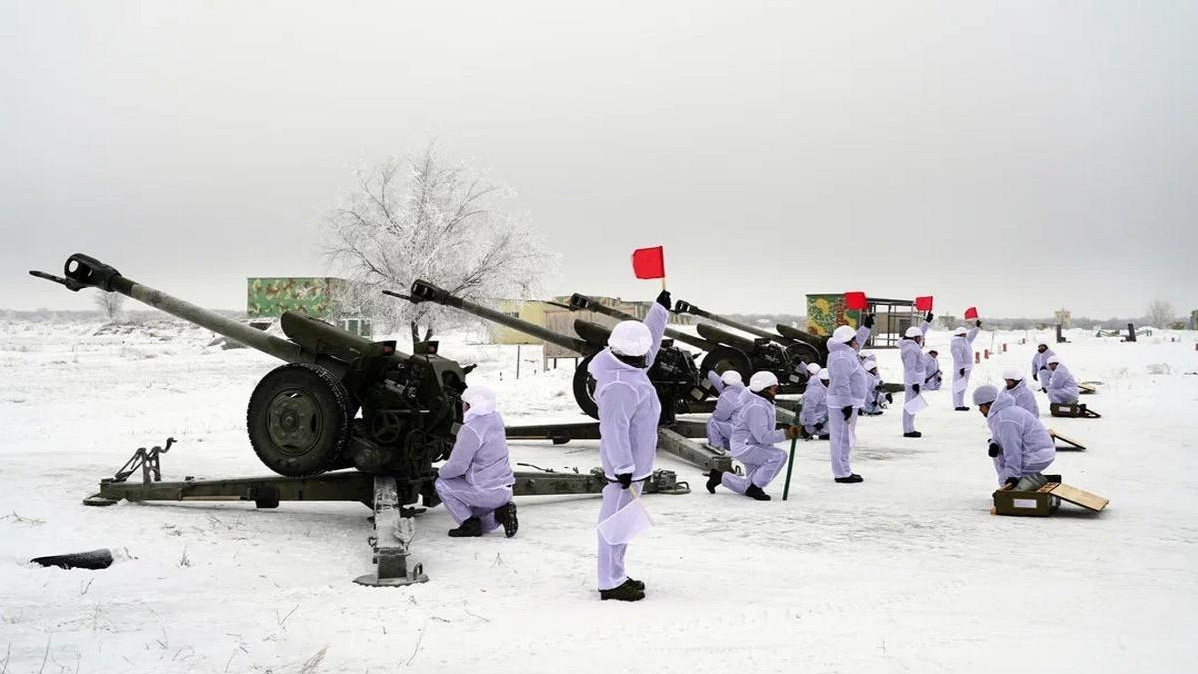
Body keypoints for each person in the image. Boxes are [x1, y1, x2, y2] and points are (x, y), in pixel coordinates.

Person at [589, 289, 671, 602]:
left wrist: (660, 311)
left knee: (621, 525)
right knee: (613, 525)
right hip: (624, 469)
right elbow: (614, 430)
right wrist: (623, 468)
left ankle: (616, 575)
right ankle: (610, 583)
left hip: (634, 466)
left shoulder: (626, 363)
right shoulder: (620, 385)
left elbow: (647, 341)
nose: (646, 358)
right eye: (641, 355)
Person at [434, 385, 518, 538]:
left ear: (470, 405)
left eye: (464, 403)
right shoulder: (495, 418)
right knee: (483, 526)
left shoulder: (471, 429)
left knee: (441, 484)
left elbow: (458, 466)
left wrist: (439, 473)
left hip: (486, 491)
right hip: (505, 490)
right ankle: (501, 513)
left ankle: (468, 525)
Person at [707, 372, 801, 500]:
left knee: (749, 484)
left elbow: (762, 429)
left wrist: (784, 428)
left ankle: (720, 477)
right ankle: (755, 488)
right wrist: (786, 434)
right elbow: (762, 436)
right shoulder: (756, 406)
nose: (776, 391)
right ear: (763, 388)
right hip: (746, 446)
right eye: (774, 388)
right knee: (778, 456)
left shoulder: (762, 402)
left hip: (752, 444)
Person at [972, 384, 1055, 491]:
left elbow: (1012, 449)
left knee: (1006, 472)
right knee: (999, 457)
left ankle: (1015, 492)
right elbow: (1000, 436)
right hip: (1038, 452)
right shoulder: (1003, 412)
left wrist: (1012, 476)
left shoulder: (1005, 419)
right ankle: (1021, 483)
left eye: (980, 406)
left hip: (1036, 455)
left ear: (988, 404)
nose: (979, 410)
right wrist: (994, 443)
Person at [825, 319, 871, 484]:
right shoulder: (841, 357)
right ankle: (842, 473)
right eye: (854, 340)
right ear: (848, 342)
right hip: (842, 403)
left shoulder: (845, 352)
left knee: (845, 437)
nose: (856, 342)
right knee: (841, 438)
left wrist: (866, 327)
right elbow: (841, 382)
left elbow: (858, 342)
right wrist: (846, 404)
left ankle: (844, 470)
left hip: (846, 402)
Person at [900, 314, 933, 437]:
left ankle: (910, 428)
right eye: (919, 337)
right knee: (910, 405)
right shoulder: (910, 349)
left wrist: (927, 322)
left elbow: (920, 332)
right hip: (912, 381)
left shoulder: (912, 345)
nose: (921, 339)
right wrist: (914, 382)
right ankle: (908, 429)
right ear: (915, 338)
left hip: (915, 381)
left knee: (913, 405)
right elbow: (910, 368)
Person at [705, 370, 745, 451]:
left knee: (713, 422)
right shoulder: (744, 391)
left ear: (724, 383)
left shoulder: (728, 395)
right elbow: (717, 381)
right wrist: (709, 373)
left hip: (740, 433)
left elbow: (719, 416)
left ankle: (717, 448)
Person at [951, 321, 981, 411]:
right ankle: (957, 405)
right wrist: (961, 367)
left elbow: (972, 336)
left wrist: (977, 327)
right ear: (960, 334)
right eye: (964, 334)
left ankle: (961, 404)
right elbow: (957, 355)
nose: (966, 335)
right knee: (958, 386)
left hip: (966, 368)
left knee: (962, 387)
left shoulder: (964, 341)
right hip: (961, 369)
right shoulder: (956, 342)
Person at [799, 367, 830, 440]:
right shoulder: (814, 392)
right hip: (812, 422)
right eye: (827, 381)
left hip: (822, 418)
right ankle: (805, 431)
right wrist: (815, 423)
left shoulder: (825, 389)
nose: (829, 383)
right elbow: (808, 409)